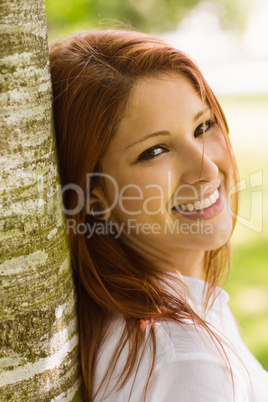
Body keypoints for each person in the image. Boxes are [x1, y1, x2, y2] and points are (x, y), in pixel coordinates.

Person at [49, 29, 268, 401]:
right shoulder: (192, 365)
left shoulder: (145, 319)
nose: (208, 171)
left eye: (203, 126)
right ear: (94, 196)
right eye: (154, 151)